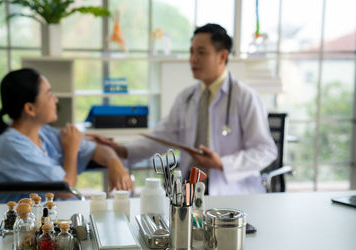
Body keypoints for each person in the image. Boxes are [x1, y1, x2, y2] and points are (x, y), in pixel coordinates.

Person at [90, 23, 277, 195]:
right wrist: (122, 149)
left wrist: (222, 163)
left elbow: (265, 151)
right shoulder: (187, 97)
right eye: (192, 52)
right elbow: (161, 139)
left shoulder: (246, 97)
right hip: (190, 189)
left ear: (222, 56)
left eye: (201, 52)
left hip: (233, 192)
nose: (193, 59)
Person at [0, 68, 132, 203]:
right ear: (30, 108)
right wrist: (71, 150)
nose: (55, 100)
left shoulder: (44, 133)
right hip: (26, 226)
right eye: (49, 95)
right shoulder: (11, 147)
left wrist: (114, 163)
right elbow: (66, 189)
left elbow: (97, 149)